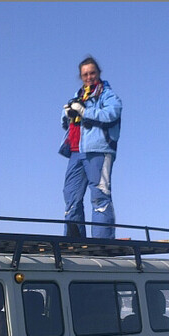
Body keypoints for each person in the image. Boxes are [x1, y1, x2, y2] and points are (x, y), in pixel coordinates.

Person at [59, 56, 122, 239]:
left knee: (99, 194)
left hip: (99, 150)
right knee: (70, 195)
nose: (89, 77)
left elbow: (112, 112)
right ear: (80, 76)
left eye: (92, 73)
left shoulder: (107, 95)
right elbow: (64, 123)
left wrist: (85, 111)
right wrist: (66, 113)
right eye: (85, 74)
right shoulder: (78, 95)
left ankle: (102, 241)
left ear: (99, 73)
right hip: (76, 151)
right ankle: (74, 239)